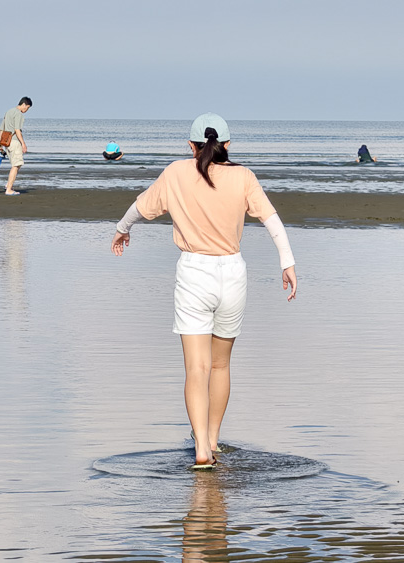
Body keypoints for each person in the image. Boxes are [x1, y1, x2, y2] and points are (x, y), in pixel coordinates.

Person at [110, 113, 297, 470]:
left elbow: (140, 206)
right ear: (228, 145)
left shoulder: (177, 172)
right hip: (232, 273)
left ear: (190, 145)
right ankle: (212, 440)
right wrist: (287, 263)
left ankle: (200, 450)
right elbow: (272, 220)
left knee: (196, 368)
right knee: (221, 365)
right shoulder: (243, 176)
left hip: (195, 272)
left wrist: (122, 229)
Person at [0, 97, 33, 195]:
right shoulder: (18, 114)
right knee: (16, 165)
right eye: (27, 108)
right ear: (24, 105)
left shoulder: (8, 112)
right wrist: (23, 144)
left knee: (16, 164)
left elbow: (2, 129)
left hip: (7, 142)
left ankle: (8, 185)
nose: (26, 110)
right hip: (14, 142)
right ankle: (9, 189)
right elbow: (17, 130)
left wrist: (0, 143)